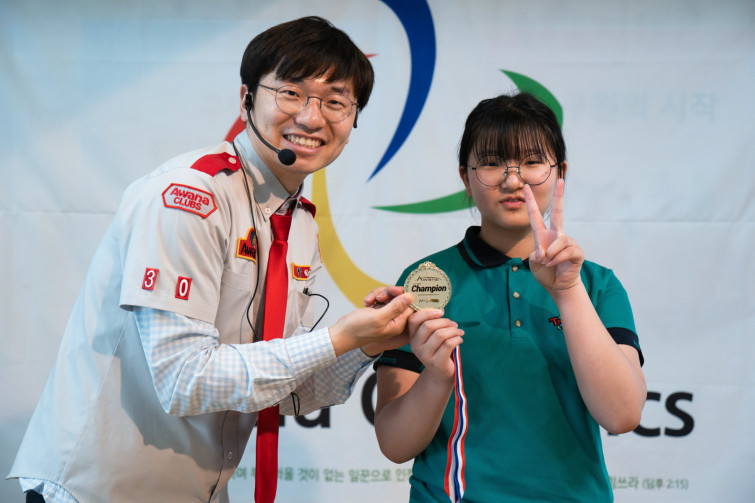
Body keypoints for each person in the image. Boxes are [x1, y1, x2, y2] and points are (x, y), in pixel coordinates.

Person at [9, 16, 415, 503]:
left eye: (335, 102)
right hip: (99, 491)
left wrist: (365, 343)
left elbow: (286, 393)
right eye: (291, 93)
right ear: (246, 99)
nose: (312, 118)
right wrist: (337, 337)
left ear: (352, 121)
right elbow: (183, 379)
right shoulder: (189, 195)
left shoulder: (300, 224)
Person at [373, 92, 646, 502]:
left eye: (532, 162)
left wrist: (567, 291)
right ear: (465, 177)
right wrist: (437, 375)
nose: (513, 180)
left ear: (560, 172)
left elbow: (622, 415)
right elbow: (395, 445)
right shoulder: (427, 282)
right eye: (491, 162)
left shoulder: (596, 285)